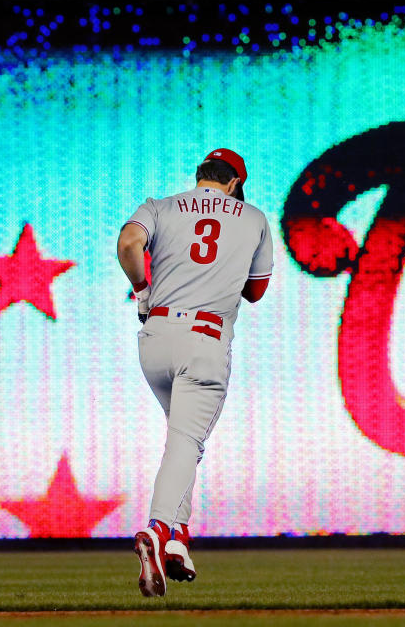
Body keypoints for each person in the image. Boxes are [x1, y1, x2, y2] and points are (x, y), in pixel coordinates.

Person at [117, 148, 273, 599]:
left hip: (156, 335)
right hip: (205, 339)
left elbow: (129, 244)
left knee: (184, 441)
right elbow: (256, 291)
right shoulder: (253, 216)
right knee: (186, 443)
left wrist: (143, 288)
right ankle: (158, 528)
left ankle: (179, 541)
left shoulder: (160, 206)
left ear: (201, 176)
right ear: (235, 184)